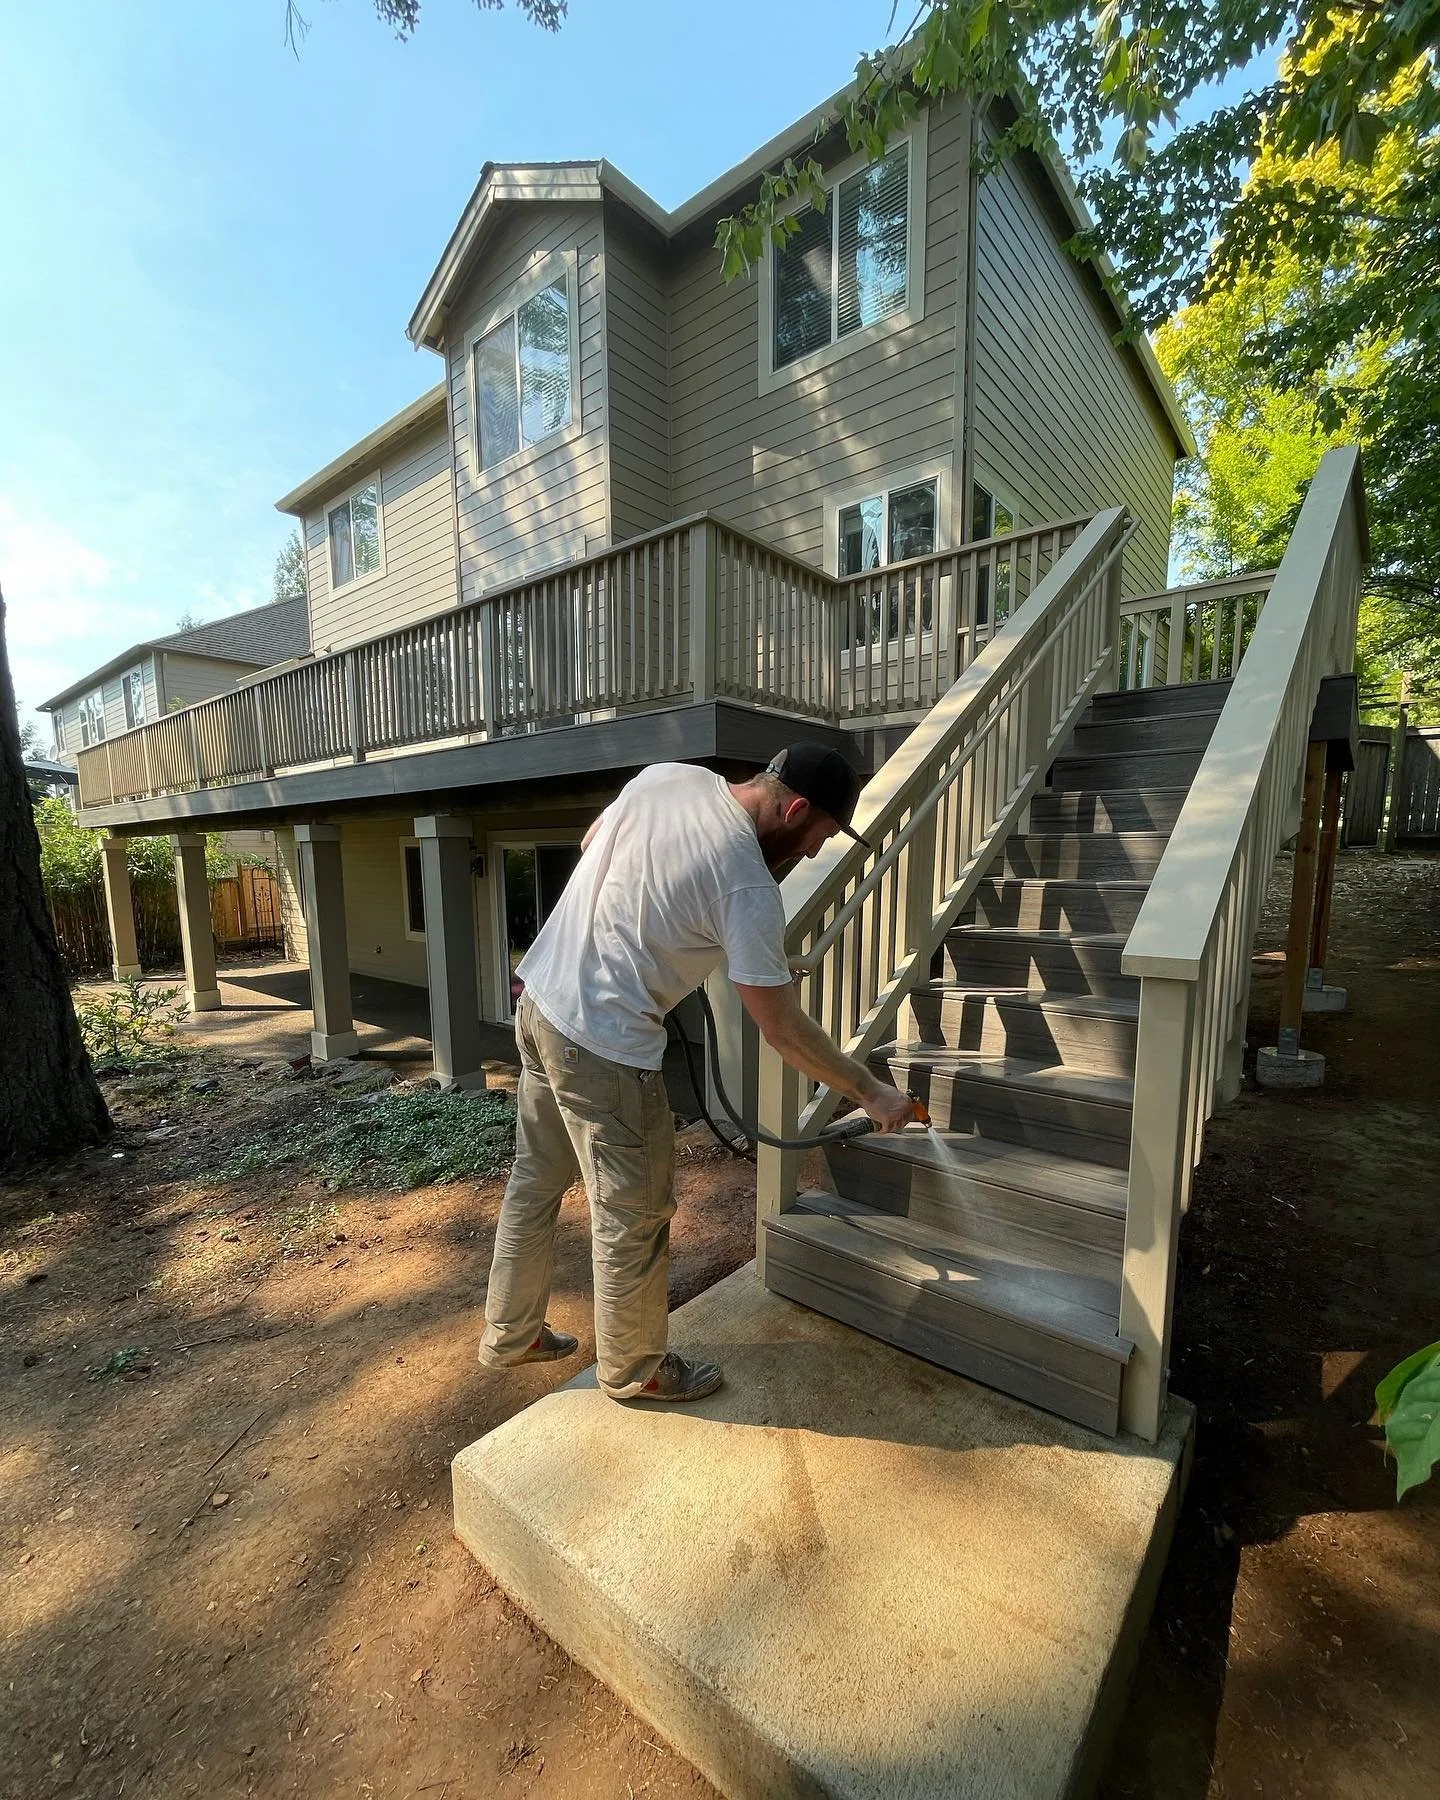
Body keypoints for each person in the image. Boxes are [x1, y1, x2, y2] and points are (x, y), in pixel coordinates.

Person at [477, 743, 916, 1402]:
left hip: (541, 1000)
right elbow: (783, 1031)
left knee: (535, 1180)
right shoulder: (746, 882)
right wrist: (872, 1091)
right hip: (603, 1046)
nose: (815, 852)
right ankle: (635, 1370)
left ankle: (510, 1332)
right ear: (795, 808)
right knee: (634, 1212)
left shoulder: (670, 778)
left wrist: (702, 938)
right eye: (820, 834)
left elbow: (596, 840)